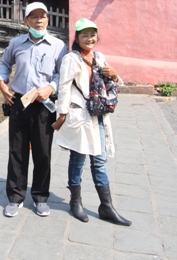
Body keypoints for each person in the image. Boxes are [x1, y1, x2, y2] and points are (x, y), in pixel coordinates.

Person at [52, 18, 131, 226]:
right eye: (84, 35)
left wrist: (116, 75)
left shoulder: (99, 57)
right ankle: (75, 202)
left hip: (99, 116)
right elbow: (64, 87)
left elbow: (111, 83)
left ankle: (106, 206)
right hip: (79, 117)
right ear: (77, 38)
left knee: (99, 162)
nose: (89, 39)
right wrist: (62, 114)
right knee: (78, 160)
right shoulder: (71, 59)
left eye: (92, 35)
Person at [0, 2, 68, 217]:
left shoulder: (58, 46)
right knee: (16, 151)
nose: (39, 20)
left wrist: (51, 87)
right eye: (34, 17)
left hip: (44, 106)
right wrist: (2, 82)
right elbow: (4, 64)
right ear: (26, 21)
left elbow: (62, 73)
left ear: (48, 19)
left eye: (42, 16)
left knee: (43, 153)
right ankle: (15, 197)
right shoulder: (16, 43)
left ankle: (40, 196)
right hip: (19, 103)